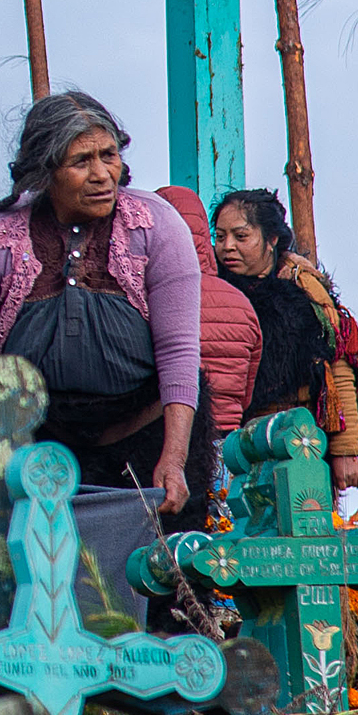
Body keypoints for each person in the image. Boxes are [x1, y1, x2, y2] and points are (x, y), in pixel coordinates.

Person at [0, 90, 203, 518]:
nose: (102, 175)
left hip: (145, 445)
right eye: (82, 161)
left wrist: (173, 459)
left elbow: (179, 350)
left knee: (156, 577)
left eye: (109, 155)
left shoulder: (156, 226)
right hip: (34, 452)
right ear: (44, 172)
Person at [210, 188, 358, 494]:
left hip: (300, 441)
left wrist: (345, 452)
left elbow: (338, 370)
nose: (227, 247)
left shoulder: (306, 292)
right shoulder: (213, 290)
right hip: (237, 447)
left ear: (272, 239)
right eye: (220, 236)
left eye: (241, 236)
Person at [152, 183, 257, 536]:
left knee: (178, 547)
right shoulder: (241, 302)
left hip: (175, 448)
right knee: (226, 546)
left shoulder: (149, 296)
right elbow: (247, 393)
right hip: (229, 450)